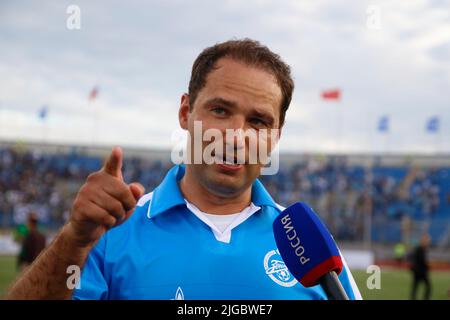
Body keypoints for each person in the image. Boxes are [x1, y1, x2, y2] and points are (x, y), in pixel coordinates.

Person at [6, 39, 361, 300]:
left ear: (276, 137)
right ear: (185, 112)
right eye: (220, 110)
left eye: (258, 121)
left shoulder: (310, 247)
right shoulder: (109, 232)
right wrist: (73, 239)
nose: (236, 136)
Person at [410, 234, 432, 300]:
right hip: (420, 271)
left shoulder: (422, 249)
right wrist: (428, 265)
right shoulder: (420, 249)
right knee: (427, 286)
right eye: (427, 241)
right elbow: (422, 261)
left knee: (416, 286)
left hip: (418, 271)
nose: (428, 242)